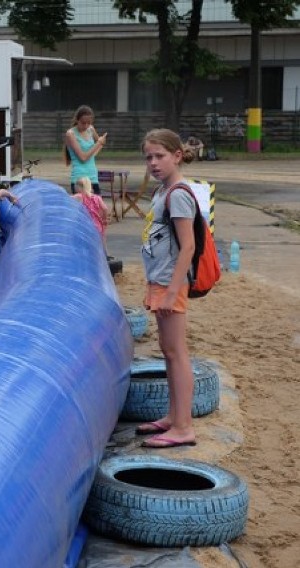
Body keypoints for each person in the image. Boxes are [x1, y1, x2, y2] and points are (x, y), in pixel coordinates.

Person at [137, 128, 199, 449]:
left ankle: (184, 426)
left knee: (177, 353)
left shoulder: (177, 193)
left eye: (160, 156)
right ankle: (174, 417)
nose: (153, 162)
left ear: (176, 155)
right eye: (148, 157)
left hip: (171, 284)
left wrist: (173, 291)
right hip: (159, 281)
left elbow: (187, 247)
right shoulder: (163, 191)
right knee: (168, 350)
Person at [64, 105, 107, 194]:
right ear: (77, 120)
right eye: (83, 123)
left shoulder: (90, 129)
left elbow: (96, 148)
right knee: (82, 207)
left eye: (89, 123)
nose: (86, 125)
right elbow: (83, 158)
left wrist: (101, 143)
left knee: (97, 206)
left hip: (93, 177)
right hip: (80, 179)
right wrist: (98, 143)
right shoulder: (71, 134)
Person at [72, 176, 109, 253]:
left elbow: (67, 198)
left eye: (76, 186)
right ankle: (105, 254)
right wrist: (104, 219)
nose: (75, 188)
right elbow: (105, 208)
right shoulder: (97, 197)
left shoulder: (80, 196)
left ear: (81, 187)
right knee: (101, 240)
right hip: (97, 224)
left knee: (84, 241)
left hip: (86, 224)